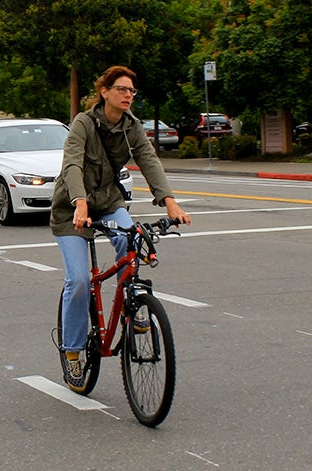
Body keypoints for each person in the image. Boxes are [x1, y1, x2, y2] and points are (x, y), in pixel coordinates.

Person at [50, 65, 191, 391]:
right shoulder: (84, 123)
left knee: (132, 240)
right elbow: (71, 163)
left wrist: (169, 201)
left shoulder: (131, 127)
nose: (128, 95)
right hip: (71, 210)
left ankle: (134, 303)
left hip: (110, 201)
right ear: (105, 92)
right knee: (80, 280)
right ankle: (72, 351)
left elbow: (149, 159)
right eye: (122, 90)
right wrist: (80, 203)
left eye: (132, 91)